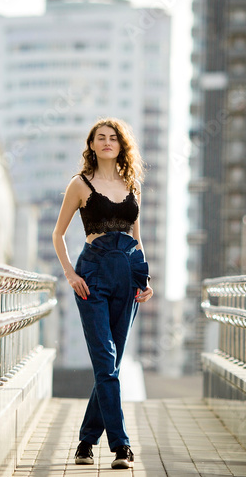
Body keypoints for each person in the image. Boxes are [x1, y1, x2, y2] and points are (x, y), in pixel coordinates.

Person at [52, 117, 154, 470]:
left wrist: (144, 277)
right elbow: (58, 235)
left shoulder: (133, 185)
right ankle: (121, 445)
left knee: (110, 364)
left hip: (127, 274)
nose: (107, 142)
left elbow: (137, 239)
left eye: (114, 138)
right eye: (101, 137)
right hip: (92, 273)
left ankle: (85, 442)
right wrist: (70, 274)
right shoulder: (80, 185)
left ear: (121, 145)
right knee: (105, 361)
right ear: (92, 145)